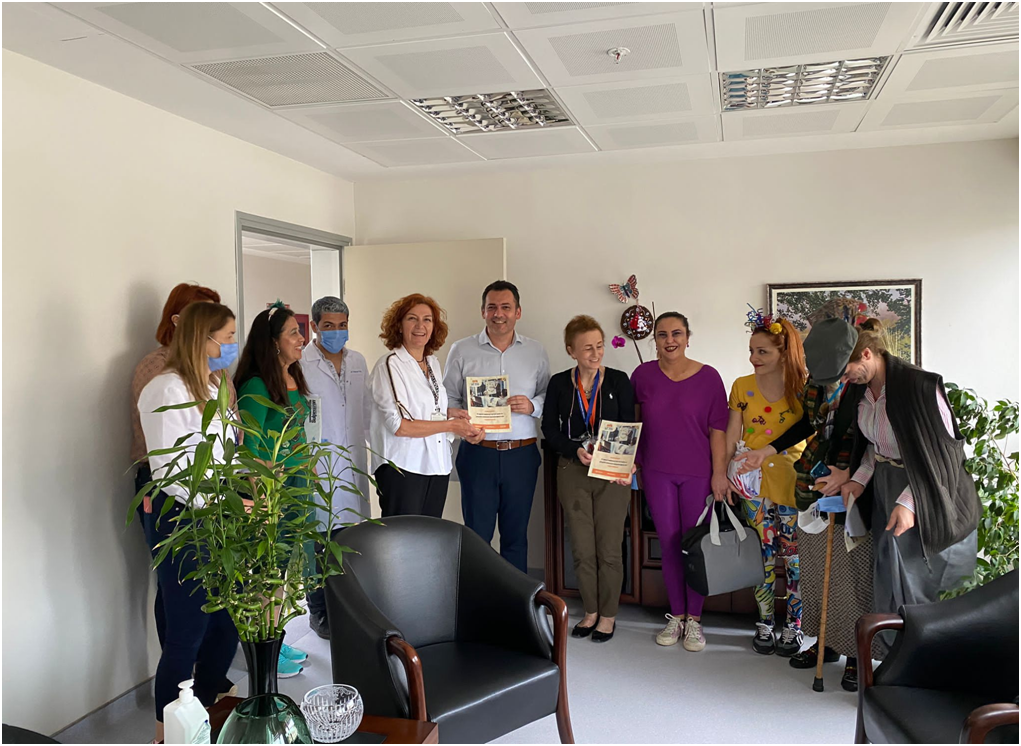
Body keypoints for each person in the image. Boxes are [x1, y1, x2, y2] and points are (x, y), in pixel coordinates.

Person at [737, 317, 876, 689]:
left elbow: (875, 444)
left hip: (855, 486)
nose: (827, 380)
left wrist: (849, 474)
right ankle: (825, 642)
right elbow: (806, 426)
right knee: (816, 566)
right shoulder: (814, 384)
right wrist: (767, 449)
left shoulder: (868, 387)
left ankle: (854, 655)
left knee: (850, 572)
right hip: (814, 481)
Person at [137, 302, 240, 741]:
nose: (232, 345)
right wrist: (223, 502)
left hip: (219, 514)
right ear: (204, 338)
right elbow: (170, 470)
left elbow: (225, 452)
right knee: (187, 632)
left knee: (226, 623)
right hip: (181, 518)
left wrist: (245, 488)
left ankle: (203, 713)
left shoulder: (214, 385)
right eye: (228, 337)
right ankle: (167, 732)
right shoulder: (165, 389)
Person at [838, 319, 979, 637]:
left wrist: (909, 503)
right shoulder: (861, 391)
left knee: (919, 580)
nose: (844, 380)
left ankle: (925, 655)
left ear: (867, 354)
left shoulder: (920, 387)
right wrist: (859, 480)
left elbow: (944, 456)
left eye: (846, 371)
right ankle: (896, 653)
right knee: (889, 574)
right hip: (885, 486)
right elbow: (875, 447)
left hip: (929, 492)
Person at [130, 282, 232, 649]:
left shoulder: (214, 374)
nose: (229, 343)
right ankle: (181, 673)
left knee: (216, 593)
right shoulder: (159, 373)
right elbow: (166, 454)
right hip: (174, 492)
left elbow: (225, 431)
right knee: (181, 593)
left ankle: (206, 673)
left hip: (214, 489)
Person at [631, 312, 730, 652]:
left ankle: (695, 621)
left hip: (698, 474)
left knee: (695, 546)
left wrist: (719, 473)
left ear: (688, 337)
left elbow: (718, 431)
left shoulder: (709, 377)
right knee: (670, 544)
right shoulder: (642, 376)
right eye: (662, 334)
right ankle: (676, 616)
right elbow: (634, 425)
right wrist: (630, 462)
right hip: (656, 473)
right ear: (654, 340)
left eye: (676, 333)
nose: (669, 340)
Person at [443, 281, 551, 573]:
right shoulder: (461, 350)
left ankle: (516, 597)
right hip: (478, 453)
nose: (498, 314)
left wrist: (532, 406)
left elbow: (547, 395)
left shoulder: (536, 351)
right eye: (492, 307)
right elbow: (447, 398)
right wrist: (462, 421)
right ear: (483, 311)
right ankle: (480, 595)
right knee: (477, 537)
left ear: (518, 312)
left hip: (521, 455)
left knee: (516, 536)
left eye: (506, 307)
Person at [541, 316, 635, 643]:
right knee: (582, 547)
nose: (595, 354)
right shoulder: (559, 383)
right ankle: (591, 611)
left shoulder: (619, 381)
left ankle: (608, 615)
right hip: (573, 470)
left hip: (611, 472)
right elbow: (549, 429)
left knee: (609, 547)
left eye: (599, 346)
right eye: (587, 349)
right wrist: (574, 450)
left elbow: (628, 425)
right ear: (571, 351)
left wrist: (625, 464)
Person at [234, 302, 311, 677]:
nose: (302, 338)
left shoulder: (292, 376)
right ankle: (263, 644)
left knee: (283, 569)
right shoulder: (256, 385)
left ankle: (276, 637)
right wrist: (260, 498)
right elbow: (250, 449)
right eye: (293, 332)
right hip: (271, 488)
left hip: (297, 484)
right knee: (267, 568)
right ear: (273, 342)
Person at [724, 314, 808, 656]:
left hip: (792, 482)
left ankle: (795, 624)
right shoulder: (741, 386)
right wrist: (724, 472)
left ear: (783, 353)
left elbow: (812, 430)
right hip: (751, 483)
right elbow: (732, 431)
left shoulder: (802, 387)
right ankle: (764, 622)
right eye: (751, 351)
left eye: (762, 352)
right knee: (762, 555)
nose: (753, 358)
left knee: (794, 557)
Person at [369, 294, 483, 517]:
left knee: (430, 535)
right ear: (399, 325)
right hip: (403, 467)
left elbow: (426, 410)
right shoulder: (390, 365)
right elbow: (399, 425)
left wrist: (453, 416)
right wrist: (451, 425)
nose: (420, 326)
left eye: (427, 320)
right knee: (402, 536)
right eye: (412, 318)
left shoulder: (432, 363)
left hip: (436, 465)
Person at [299, 296, 371, 640]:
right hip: (317, 463)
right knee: (317, 543)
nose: (337, 332)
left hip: (352, 461)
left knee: (348, 541)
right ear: (315, 327)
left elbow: (366, 412)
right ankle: (318, 611)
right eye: (329, 326)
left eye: (342, 325)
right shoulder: (301, 363)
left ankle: (344, 609)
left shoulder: (358, 361)